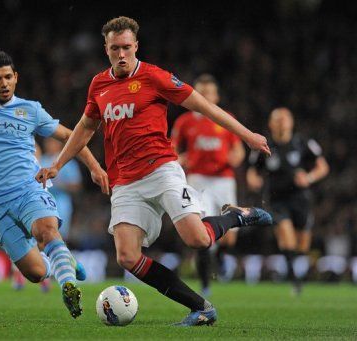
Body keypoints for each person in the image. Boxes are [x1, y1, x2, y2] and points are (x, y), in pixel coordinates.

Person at [36, 16, 272, 327]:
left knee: (198, 239)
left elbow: (204, 107)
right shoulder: (99, 84)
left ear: (136, 47)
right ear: (105, 49)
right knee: (127, 256)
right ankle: (200, 308)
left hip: (162, 170)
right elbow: (85, 128)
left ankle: (237, 215)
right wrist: (56, 165)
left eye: (126, 48)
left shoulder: (154, 77)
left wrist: (246, 135)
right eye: (114, 48)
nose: (121, 54)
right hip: (125, 183)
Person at [0, 51, 108, 319]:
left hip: (29, 189)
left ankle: (68, 286)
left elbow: (70, 136)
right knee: (36, 272)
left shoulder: (30, 109)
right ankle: (66, 263)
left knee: (46, 229)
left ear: (15, 78)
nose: (3, 83)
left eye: (7, 77)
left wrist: (95, 167)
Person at [171, 74, 245, 297]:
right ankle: (205, 285)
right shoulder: (185, 122)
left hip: (224, 180)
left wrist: (236, 157)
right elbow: (172, 148)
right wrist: (179, 158)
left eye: (208, 93)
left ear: (216, 96)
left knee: (231, 236)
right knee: (202, 231)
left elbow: (238, 148)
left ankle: (221, 257)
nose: (204, 96)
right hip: (198, 181)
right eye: (200, 92)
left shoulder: (224, 118)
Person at [247, 107, 329, 295]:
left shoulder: (303, 142)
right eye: (277, 119)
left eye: (285, 118)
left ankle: (296, 272)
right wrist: (253, 179)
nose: (282, 121)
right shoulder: (264, 146)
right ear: (270, 123)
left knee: (302, 245)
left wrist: (308, 178)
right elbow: (252, 169)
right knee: (286, 235)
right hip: (276, 199)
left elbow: (323, 167)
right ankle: (294, 279)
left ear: (291, 122)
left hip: (300, 198)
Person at [12, 138, 83, 291]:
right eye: (48, 142)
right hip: (39, 202)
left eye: (53, 142)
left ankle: (58, 274)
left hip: (61, 202)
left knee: (56, 238)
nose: (50, 144)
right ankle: (41, 275)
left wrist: (60, 184)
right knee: (36, 239)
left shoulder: (67, 162)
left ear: (60, 145)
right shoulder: (42, 159)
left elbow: (77, 185)